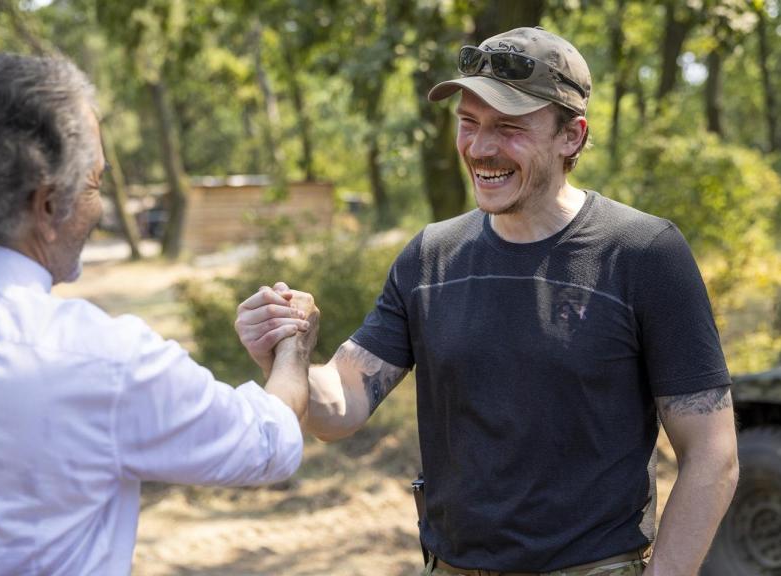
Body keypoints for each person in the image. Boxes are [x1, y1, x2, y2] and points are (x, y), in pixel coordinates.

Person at [236, 27, 738, 576]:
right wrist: (289, 352)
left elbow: (712, 454)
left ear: (571, 135)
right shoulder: (430, 257)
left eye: (509, 128)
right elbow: (341, 408)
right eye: (469, 123)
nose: (480, 148)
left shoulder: (643, 253)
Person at [0, 53, 318, 575]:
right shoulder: (106, 361)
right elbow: (269, 442)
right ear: (48, 205)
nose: (98, 208)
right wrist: (292, 345)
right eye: (95, 183)